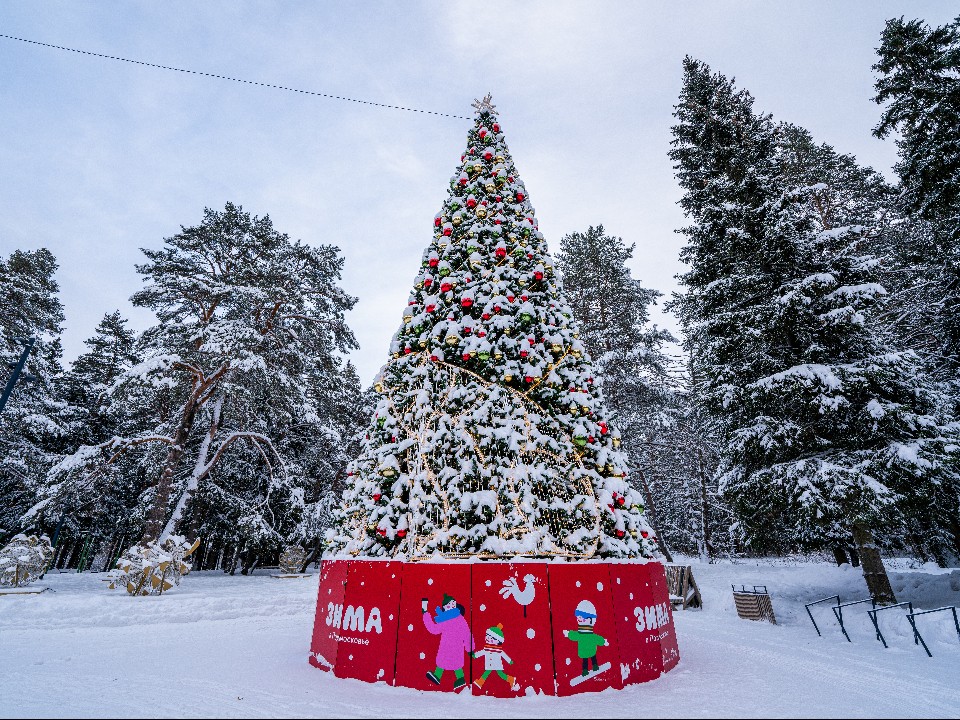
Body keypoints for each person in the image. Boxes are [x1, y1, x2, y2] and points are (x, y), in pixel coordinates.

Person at [422, 593, 473, 689]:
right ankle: (455, 678)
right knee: (451, 662)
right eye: (448, 605)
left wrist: (425, 613)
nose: (451, 606)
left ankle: (443, 676)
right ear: (445, 608)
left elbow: (466, 634)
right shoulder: (453, 619)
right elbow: (434, 629)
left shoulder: (451, 620)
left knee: (446, 661)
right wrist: (470, 648)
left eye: (452, 604)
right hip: (451, 646)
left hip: (449, 646)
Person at [563, 599, 608, 676]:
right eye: (578, 617)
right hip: (589, 650)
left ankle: (589, 668)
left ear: (590, 619)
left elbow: (597, 638)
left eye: (581, 617)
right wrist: (603, 641)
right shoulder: (583, 634)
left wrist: (603, 641)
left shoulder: (584, 635)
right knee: (589, 658)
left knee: (587, 659)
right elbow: (597, 638)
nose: (578, 619)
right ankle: (590, 668)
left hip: (585, 650)